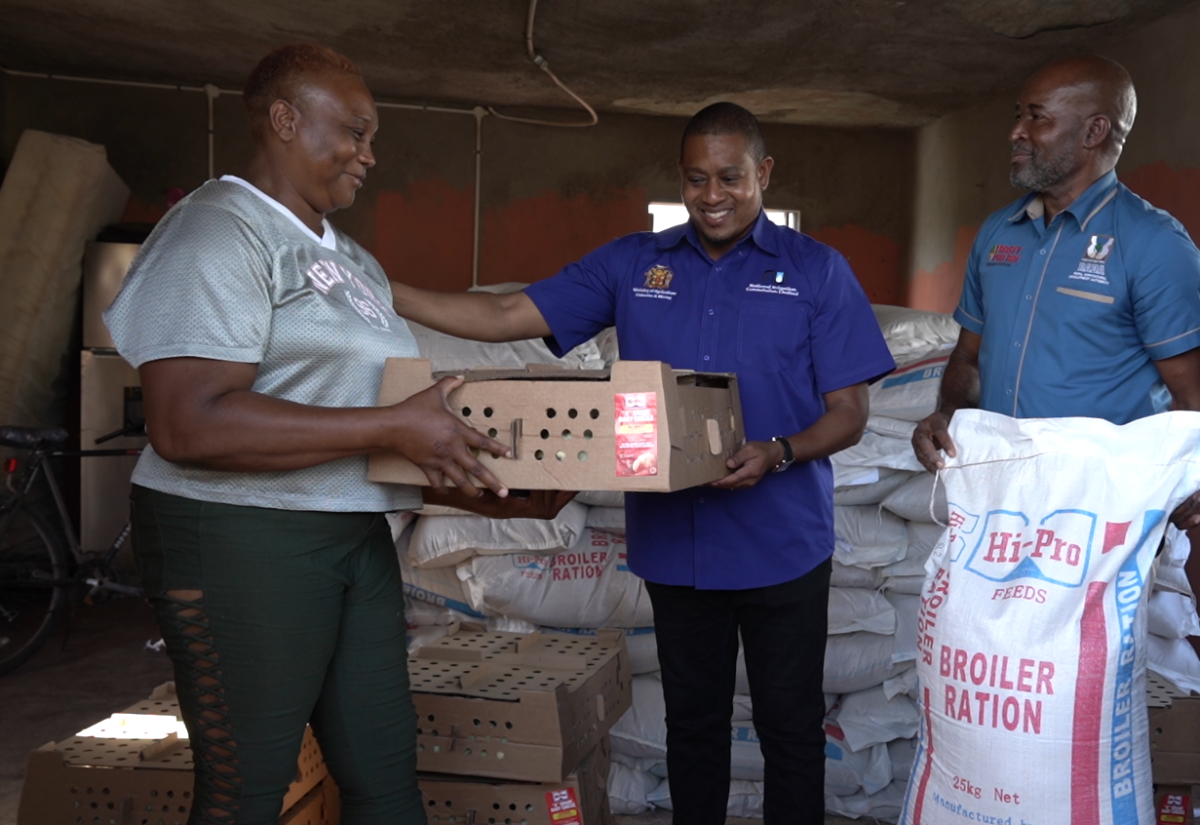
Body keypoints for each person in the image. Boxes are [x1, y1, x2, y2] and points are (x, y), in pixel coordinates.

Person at [388, 102, 896, 824]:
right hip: (675, 547)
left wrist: (779, 452)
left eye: (730, 177)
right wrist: (386, 291)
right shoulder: (635, 265)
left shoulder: (816, 271)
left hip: (783, 543)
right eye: (696, 179)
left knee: (789, 726)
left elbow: (851, 410)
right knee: (692, 727)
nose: (712, 195)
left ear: (765, 173)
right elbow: (504, 319)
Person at [104, 44, 572, 825]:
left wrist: (479, 484)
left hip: (351, 530)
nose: (370, 153)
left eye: (372, 135)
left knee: (385, 779)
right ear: (284, 120)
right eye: (354, 131)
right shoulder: (219, 233)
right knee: (247, 791)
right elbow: (187, 421)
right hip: (239, 537)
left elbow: (349, 409)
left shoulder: (349, 259)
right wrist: (396, 422)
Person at [911, 55, 1200, 533]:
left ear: (1094, 132)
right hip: (998, 495)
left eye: (1037, 117)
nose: (1016, 132)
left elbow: (1192, 391)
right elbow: (968, 355)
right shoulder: (998, 233)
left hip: (1105, 510)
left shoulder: (1154, 244)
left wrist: (1192, 476)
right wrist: (947, 415)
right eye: (1018, 115)